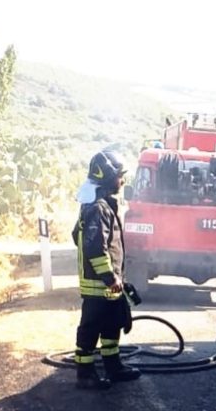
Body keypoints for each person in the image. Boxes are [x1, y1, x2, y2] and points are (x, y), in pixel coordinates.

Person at [71, 150, 141, 390]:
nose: (122, 181)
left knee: (112, 324)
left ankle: (113, 366)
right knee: (91, 327)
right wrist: (109, 276)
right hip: (98, 284)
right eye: (120, 176)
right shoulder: (98, 208)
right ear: (109, 177)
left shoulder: (101, 205)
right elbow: (93, 247)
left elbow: (75, 236)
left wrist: (116, 278)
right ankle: (85, 374)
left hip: (108, 284)